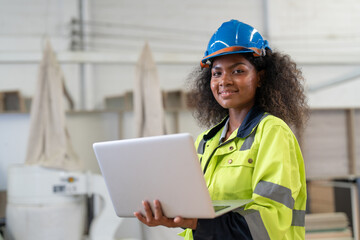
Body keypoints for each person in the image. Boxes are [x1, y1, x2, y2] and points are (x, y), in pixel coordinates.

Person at [134, 19, 308, 240]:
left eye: (237, 71)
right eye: (216, 73)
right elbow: (198, 219)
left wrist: (198, 223)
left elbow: (270, 220)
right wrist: (171, 215)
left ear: (260, 77)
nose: (224, 81)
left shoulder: (272, 132)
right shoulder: (206, 141)